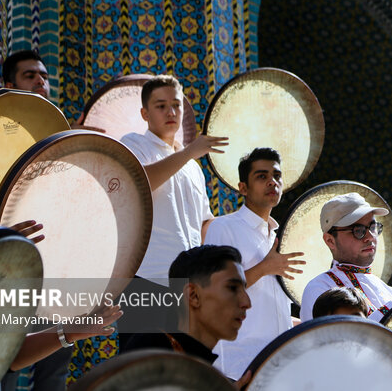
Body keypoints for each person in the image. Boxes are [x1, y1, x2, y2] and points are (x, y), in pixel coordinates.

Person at [204, 147, 305, 380]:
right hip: (238, 365)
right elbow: (214, 292)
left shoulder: (281, 236)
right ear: (243, 188)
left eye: (276, 176)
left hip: (281, 365)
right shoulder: (224, 227)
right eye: (262, 176)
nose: (272, 182)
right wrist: (264, 268)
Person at [120, 75, 227, 282]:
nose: (171, 112)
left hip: (190, 279)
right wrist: (189, 153)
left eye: (176, 105)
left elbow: (204, 224)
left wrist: (243, 219)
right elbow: (139, 183)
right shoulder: (134, 143)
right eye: (161, 106)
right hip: (148, 274)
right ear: (145, 113)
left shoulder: (193, 168)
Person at [123, 245, 251, 387]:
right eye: (232, 288)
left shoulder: (205, 371)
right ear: (193, 295)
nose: (247, 302)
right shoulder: (152, 348)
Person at [300, 192, 392, 323]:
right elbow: (343, 340)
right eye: (358, 230)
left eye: (373, 227)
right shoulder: (319, 287)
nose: (370, 236)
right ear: (330, 240)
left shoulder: (389, 291)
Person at [1, 50, 101, 130]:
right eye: (30, 76)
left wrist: (69, 137)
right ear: (10, 87)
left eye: (44, 77)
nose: (41, 81)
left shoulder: (59, 128)